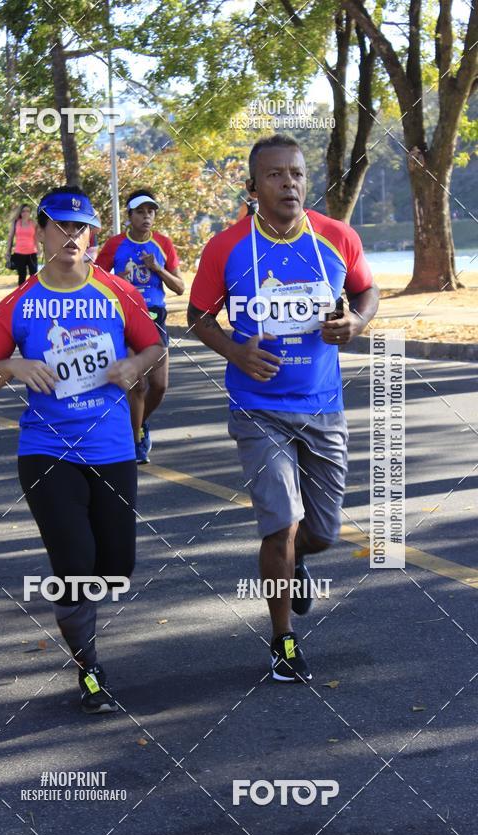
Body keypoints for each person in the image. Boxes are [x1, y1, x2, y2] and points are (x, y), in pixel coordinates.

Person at [188, 134, 378, 683]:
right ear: (252, 188)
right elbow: (198, 317)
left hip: (323, 406)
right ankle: (282, 641)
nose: (288, 183)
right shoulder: (226, 248)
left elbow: (368, 291)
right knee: (280, 526)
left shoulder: (337, 237)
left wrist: (357, 323)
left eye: (295, 173)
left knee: (320, 533)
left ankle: (297, 569)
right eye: (274, 175)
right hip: (258, 407)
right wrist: (235, 350)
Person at [0, 186, 163, 712]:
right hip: (47, 451)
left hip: (111, 449)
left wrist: (136, 366)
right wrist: (13, 367)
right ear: (39, 232)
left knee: (116, 566)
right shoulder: (18, 304)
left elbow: (154, 344)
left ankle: (77, 614)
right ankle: (89, 667)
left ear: (92, 235)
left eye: (80, 227)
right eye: (60, 226)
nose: (71, 236)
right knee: (76, 563)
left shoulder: (114, 291)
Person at [96, 189, 185, 463]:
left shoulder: (163, 244)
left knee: (159, 386)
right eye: (140, 212)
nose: (147, 216)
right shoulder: (115, 245)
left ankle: (138, 423)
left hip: (155, 316)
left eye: (151, 211)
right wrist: (116, 280)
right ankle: (134, 440)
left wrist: (158, 269)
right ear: (129, 215)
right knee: (137, 384)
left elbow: (180, 287)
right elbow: (94, 280)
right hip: (126, 316)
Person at [6, 203, 39, 286]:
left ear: (30, 213)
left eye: (27, 211)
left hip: (32, 253)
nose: (25, 213)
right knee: (22, 276)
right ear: (20, 213)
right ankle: (21, 296)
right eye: (23, 211)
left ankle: (33, 296)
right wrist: (7, 252)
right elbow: (10, 237)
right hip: (19, 253)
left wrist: (39, 249)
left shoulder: (33, 223)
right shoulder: (16, 223)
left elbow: (36, 238)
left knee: (34, 276)